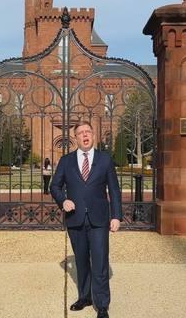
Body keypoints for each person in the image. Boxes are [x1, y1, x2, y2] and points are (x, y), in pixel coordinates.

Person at [50, 120, 122, 318]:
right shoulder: (66, 161)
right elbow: (54, 186)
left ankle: (102, 305)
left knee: (99, 262)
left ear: (93, 134)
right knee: (81, 261)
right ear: (75, 138)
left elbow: (114, 190)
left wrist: (116, 216)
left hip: (99, 220)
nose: (84, 135)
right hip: (75, 219)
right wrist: (63, 201)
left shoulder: (105, 159)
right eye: (80, 132)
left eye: (87, 131)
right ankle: (84, 297)